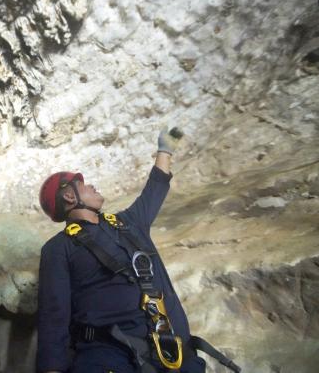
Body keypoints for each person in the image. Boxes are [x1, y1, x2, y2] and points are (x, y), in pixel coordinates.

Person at [37, 127, 240, 373]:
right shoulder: (59, 248)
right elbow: (53, 318)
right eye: (83, 184)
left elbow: (154, 190)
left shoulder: (128, 222)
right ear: (69, 196)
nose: (92, 186)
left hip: (173, 354)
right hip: (112, 359)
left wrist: (165, 150)